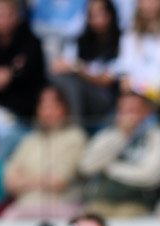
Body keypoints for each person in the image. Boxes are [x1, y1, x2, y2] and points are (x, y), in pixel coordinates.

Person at [79, 89, 160, 217]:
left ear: (147, 112)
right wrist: (121, 136)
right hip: (100, 200)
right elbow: (86, 167)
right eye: (123, 110)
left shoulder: (159, 136)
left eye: (134, 109)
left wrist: (109, 168)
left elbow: (151, 176)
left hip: (136, 203)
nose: (128, 115)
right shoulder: (109, 135)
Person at [2, 86, 87, 220]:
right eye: (44, 106)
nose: (48, 112)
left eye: (53, 106)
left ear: (64, 108)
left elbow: (59, 181)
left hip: (63, 205)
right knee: (6, 221)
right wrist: (44, 179)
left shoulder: (75, 137)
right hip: (24, 206)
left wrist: (24, 180)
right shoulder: (30, 139)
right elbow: (10, 182)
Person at [48, 0, 123, 130]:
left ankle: (75, 127)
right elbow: (56, 67)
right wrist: (76, 67)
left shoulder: (122, 40)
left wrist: (78, 68)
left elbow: (105, 80)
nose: (96, 19)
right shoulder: (82, 41)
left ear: (111, 14)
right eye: (92, 15)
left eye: (101, 13)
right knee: (61, 79)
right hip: (83, 97)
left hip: (107, 99)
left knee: (73, 82)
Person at [0, 0, 47, 121]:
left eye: (7, 15)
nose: (3, 20)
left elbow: (28, 75)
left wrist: (9, 75)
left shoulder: (30, 41)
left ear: (17, 16)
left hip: (21, 111)